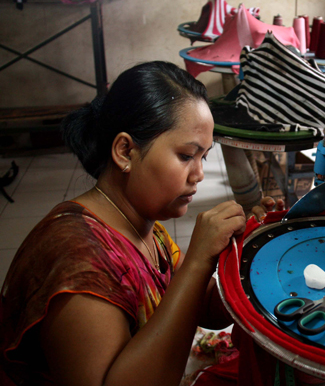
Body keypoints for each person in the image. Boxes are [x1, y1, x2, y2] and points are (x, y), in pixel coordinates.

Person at [0, 61, 282, 386]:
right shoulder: (78, 262)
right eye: (186, 156)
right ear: (125, 151)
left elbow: (202, 308)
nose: (199, 174)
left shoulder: (145, 226)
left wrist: (249, 252)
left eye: (203, 157)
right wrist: (196, 260)